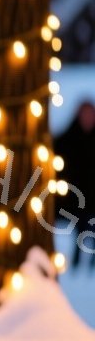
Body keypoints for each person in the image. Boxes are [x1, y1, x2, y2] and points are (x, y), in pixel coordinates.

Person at [56, 99, 95, 271]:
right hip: (75, 197)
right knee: (80, 227)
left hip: (92, 196)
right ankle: (78, 263)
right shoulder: (67, 140)